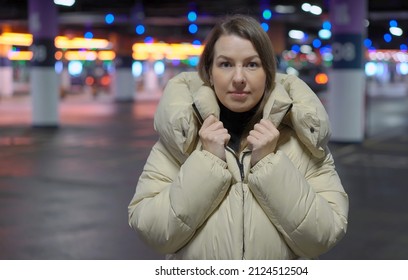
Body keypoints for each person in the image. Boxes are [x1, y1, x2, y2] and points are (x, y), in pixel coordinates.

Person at [128, 14, 348, 260]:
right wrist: (207, 161)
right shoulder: (180, 140)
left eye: (252, 64)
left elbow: (323, 235)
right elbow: (153, 231)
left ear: (268, 73)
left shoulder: (303, 142)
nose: (239, 78)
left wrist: (268, 163)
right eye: (225, 64)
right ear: (209, 73)